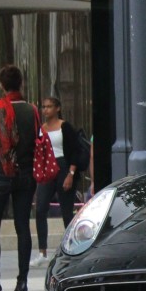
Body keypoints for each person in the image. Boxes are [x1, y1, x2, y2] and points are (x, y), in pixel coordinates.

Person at [0, 65, 38, 291]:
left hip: (0, 174)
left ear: (2, 85)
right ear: (21, 84)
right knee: (22, 227)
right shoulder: (32, 109)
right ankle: (22, 282)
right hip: (26, 175)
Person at [32, 96, 88, 267]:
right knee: (40, 208)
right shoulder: (41, 129)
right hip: (48, 167)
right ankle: (42, 252)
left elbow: (75, 151)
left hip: (63, 166)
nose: (46, 110)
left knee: (66, 210)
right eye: (43, 107)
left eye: (49, 107)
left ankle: (71, 249)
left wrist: (70, 173)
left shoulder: (65, 127)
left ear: (57, 108)